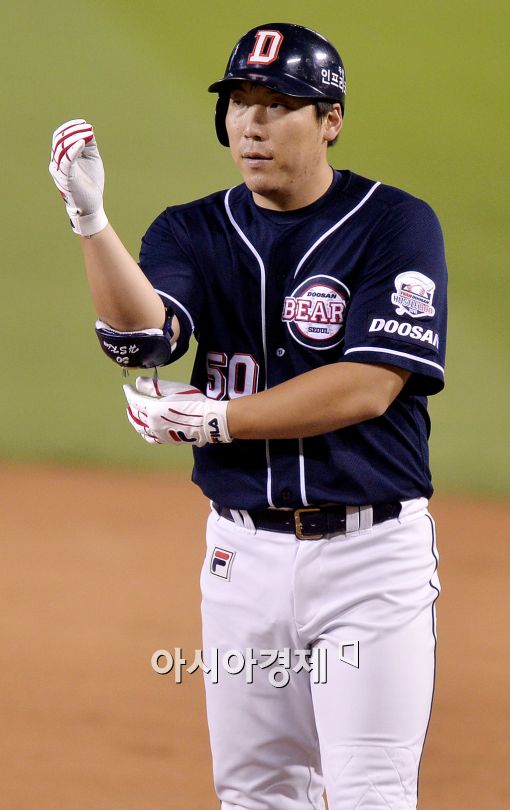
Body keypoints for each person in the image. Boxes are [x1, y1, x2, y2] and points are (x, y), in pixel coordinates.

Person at [49, 22, 447, 810]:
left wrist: (218, 419)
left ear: (330, 119)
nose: (252, 124)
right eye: (239, 103)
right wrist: (92, 224)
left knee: (370, 794)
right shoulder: (192, 229)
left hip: (370, 568)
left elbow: (367, 386)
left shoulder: (394, 224)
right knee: (257, 797)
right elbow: (144, 341)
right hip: (241, 565)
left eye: (278, 103)